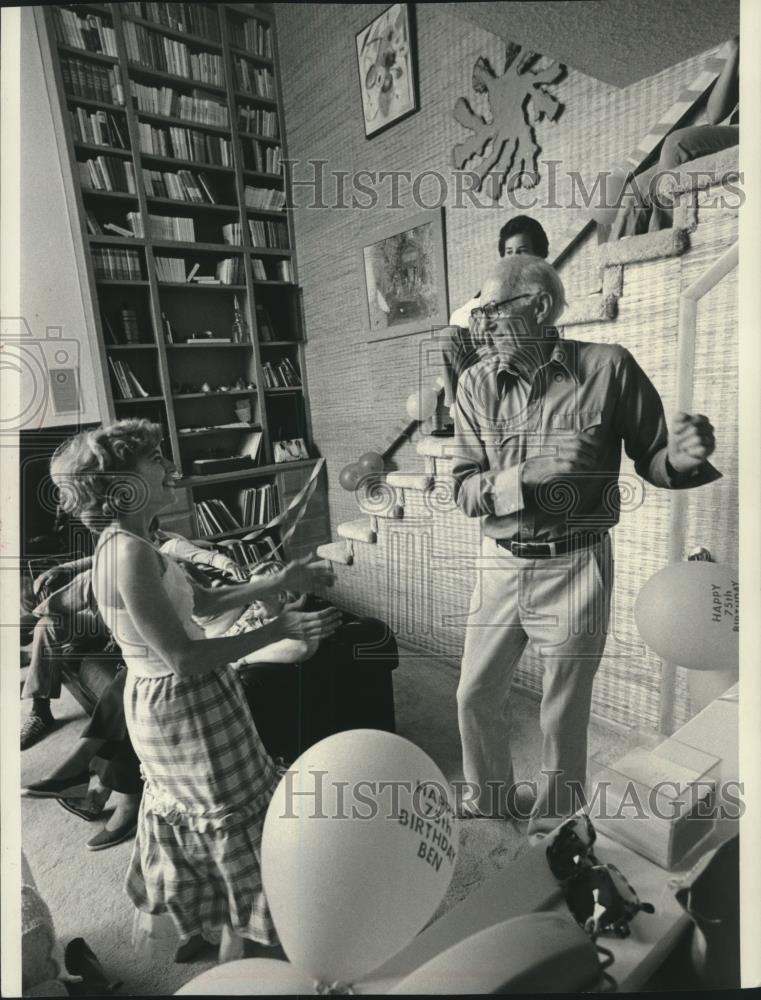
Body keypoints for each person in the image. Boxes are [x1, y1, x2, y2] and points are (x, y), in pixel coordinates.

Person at [48, 418, 342, 963]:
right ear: (122, 485)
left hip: (185, 703)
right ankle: (246, 954)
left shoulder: (139, 542)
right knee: (233, 823)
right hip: (184, 707)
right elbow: (183, 659)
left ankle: (204, 925)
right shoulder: (128, 555)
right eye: (154, 459)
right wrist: (276, 630)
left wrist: (277, 582)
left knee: (208, 818)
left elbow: (203, 604)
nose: (167, 466)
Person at [451, 255, 719, 839]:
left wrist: (682, 459)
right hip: (498, 566)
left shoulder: (609, 368)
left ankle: (556, 821)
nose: (483, 326)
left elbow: (654, 455)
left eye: (493, 311)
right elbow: (464, 490)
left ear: (539, 307)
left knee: (562, 711)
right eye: (479, 315)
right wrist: (528, 474)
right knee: (474, 694)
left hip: (578, 566)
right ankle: (489, 799)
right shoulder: (473, 384)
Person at [608, 35, 739, 239]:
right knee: (638, 187)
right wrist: (735, 52)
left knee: (677, 144)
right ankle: (614, 265)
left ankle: (667, 239)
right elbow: (715, 115)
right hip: (735, 133)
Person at [434, 217, 549, 429]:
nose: (514, 259)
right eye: (509, 252)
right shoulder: (497, 285)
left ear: (539, 256)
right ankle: (457, 410)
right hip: (485, 351)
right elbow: (459, 316)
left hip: (519, 356)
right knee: (448, 335)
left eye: (522, 251)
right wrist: (476, 319)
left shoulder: (545, 288)